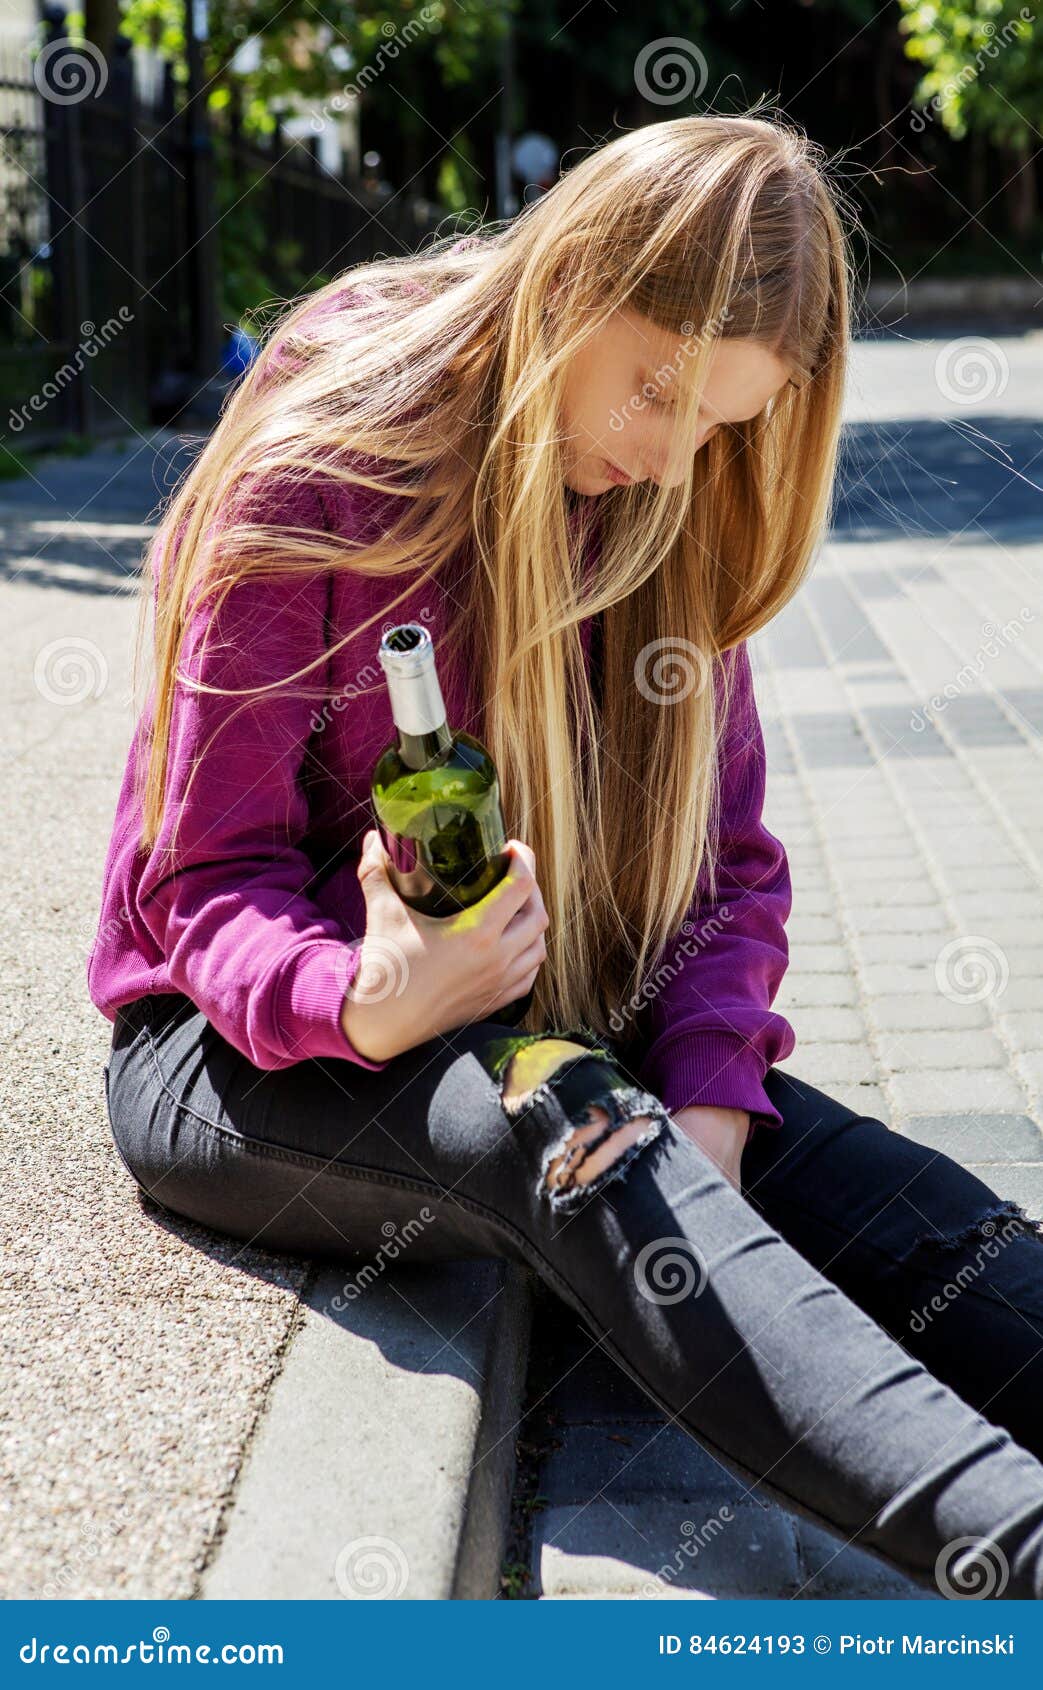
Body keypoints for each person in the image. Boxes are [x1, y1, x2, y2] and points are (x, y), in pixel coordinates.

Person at [90, 111, 1043, 1599]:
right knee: (579, 1129)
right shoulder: (333, 450)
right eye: (655, 389)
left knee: (898, 1211)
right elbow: (200, 883)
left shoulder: (666, 500)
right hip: (232, 1056)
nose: (666, 453)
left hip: (539, 1027)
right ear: (576, 278)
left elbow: (725, 872)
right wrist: (366, 998)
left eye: (715, 425)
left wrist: (713, 1099)